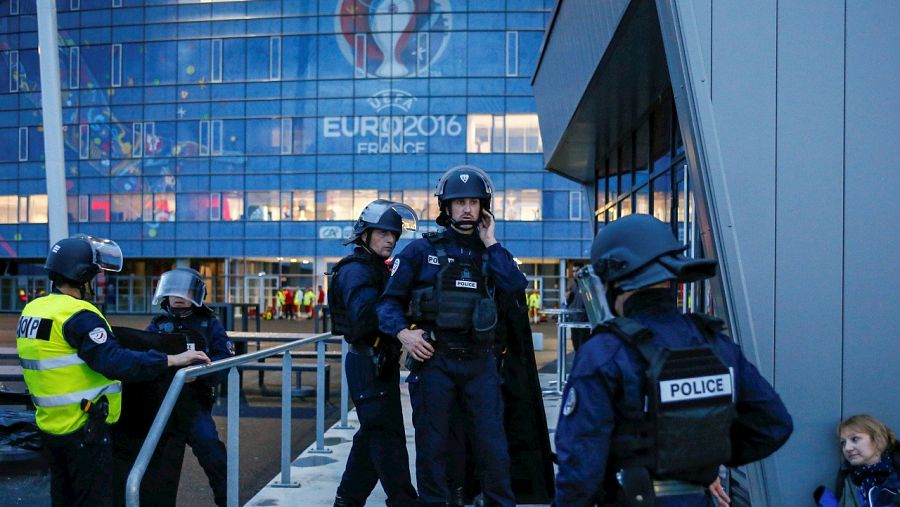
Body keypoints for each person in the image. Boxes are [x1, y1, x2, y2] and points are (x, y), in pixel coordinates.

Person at [555, 214, 793, 506]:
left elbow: (580, 469)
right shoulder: (715, 344)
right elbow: (773, 425)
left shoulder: (605, 352)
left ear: (615, 280)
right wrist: (703, 458)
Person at [15, 234, 209, 507]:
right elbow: (116, 362)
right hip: (84, 429)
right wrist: (170, 359)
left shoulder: (34, 310)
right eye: (95, 275)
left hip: (50, 426)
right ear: (82, 276)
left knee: (63, 498)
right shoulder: (79, 315)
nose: (98, 281)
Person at [377, 165, 527, 507]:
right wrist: (404, 334)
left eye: (473, 202)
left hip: (481, 363)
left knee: (492, 445)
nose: (467, 209)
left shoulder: (491, 252)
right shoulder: (420, 251)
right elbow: (387, 304)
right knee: (433, 446)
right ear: (446, 206)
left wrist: (492, 242)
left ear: (484, 207)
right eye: (459, 202)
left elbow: (515, 290)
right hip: (435, 362)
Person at [331, 199, 419, 507]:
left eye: (394, 234)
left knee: (372, 435)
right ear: (365, 235)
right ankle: (404, 501)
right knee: (386, 437)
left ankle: (347, 500)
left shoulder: (374, 268)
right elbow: (365, 317)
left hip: (379, 362)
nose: (390, 239)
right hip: (367, 362)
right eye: (383, 233)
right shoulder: (356, 271)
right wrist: (404, 312)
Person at [145, 268, 234, 506]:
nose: (178, 296)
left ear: (196, 294)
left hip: (193, 403)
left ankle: (228, 500)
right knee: (157, 462)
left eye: (184, 291)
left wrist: (200, 374)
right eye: (173, 291)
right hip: (162, 403)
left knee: (212, 451)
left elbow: (224, 358)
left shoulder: (208, 323)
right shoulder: (159, 324)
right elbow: (143, 355)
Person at [815, 414, 900, 507]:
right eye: (843, 442)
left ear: (878, 440)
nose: (847, 448)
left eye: (855, 439)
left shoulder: (895, 476)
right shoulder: (849, 482)